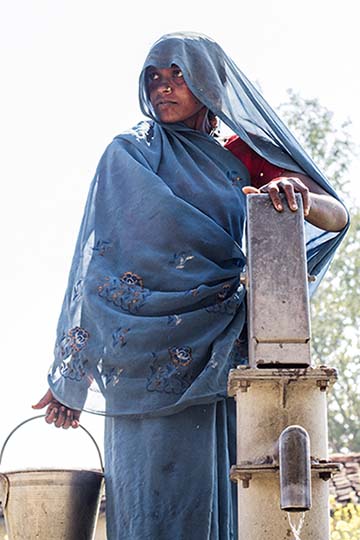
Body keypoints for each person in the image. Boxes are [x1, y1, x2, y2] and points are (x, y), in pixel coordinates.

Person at [33, 32, 348, 539]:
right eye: (154, 77)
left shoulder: (241, 155)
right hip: (139, 366)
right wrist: (74, 376)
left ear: (209, 82)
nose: (163, 86)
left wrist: (297, 197)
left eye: (178, 74)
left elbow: (336, 216)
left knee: (216, 499)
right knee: (147, 503)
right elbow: (100, 270)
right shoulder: (130, 155)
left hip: (219, 353)